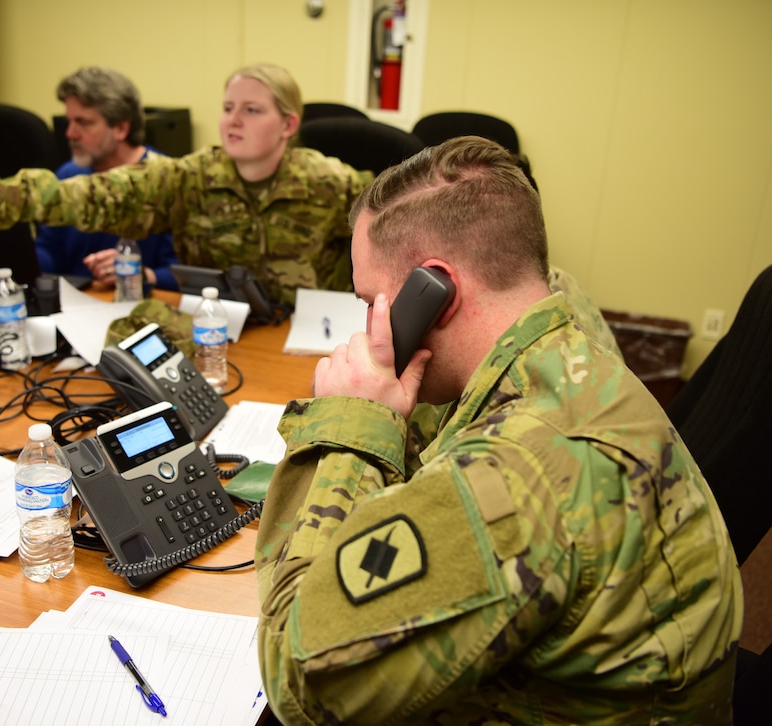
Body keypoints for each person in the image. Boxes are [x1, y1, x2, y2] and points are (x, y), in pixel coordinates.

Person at [254, 137, 742, 724]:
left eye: (371, 302)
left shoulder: (516, 477)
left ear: (431, 295)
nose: (366, 325)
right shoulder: (563, 347)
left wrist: (351, 425)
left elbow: (295, 683)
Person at [0, 63, 373, 308]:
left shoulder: (329, 183)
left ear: (288, 124)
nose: (232, 120)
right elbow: (98, 192)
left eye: (252, 110)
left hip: (311, 336)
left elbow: (394, 226)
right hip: (218, 328)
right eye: (227, 106)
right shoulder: (189, 177)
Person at [36, 67, 178, 291]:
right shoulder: (67, 176)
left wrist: (139, 272)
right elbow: (50, 252)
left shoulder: (168, 181)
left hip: (142, 308)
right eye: (69, 121)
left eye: (83, 123)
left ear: (121, 128)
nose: (70, 133)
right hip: (75, 307)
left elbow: (184, 273)